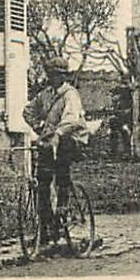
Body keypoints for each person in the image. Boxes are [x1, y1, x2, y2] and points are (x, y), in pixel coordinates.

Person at [21, 56, 89, 240]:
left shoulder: (70, 94)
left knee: (61, 171)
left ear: (63, 76)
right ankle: (45, 228)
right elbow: (28, 111)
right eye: (51, 74)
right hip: (51, 140)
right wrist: (39, 127)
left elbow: (71, 119)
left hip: (71, 139)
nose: (53, 77)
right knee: (42, 180)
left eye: (57, 75)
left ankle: (62, 209)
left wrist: (58, 134)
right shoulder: (45, 94)